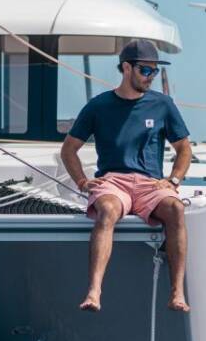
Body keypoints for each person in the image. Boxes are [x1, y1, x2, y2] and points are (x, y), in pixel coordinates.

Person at [60, 39, 193, 313]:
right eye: (145, 70)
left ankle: (177, 292)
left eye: (154, 70)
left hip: (150, 185)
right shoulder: (98, 106)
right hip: (114, 182)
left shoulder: (163, 105)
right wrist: (82, 181)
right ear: (126, 68)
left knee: (176, 209)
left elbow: (184, 149)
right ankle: (94, 291)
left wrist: (174, 180)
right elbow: (69, 149)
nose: (151, 76)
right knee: (107, 210)